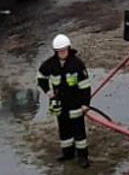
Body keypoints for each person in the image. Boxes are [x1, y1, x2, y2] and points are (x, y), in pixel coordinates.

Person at [36, 33, 90, 167]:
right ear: (55, 52)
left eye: (64, 50)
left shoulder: (77, 64)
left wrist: (85, 104)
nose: (62, 53)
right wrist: (49, 93)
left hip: (75, 103)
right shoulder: (50, 64)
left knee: (79, 131)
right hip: (60, 104)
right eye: (59, 51)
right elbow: (41, 76)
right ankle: (67, 153)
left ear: (69, 48)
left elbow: (85, 86)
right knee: (64, 129)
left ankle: (83, 157)